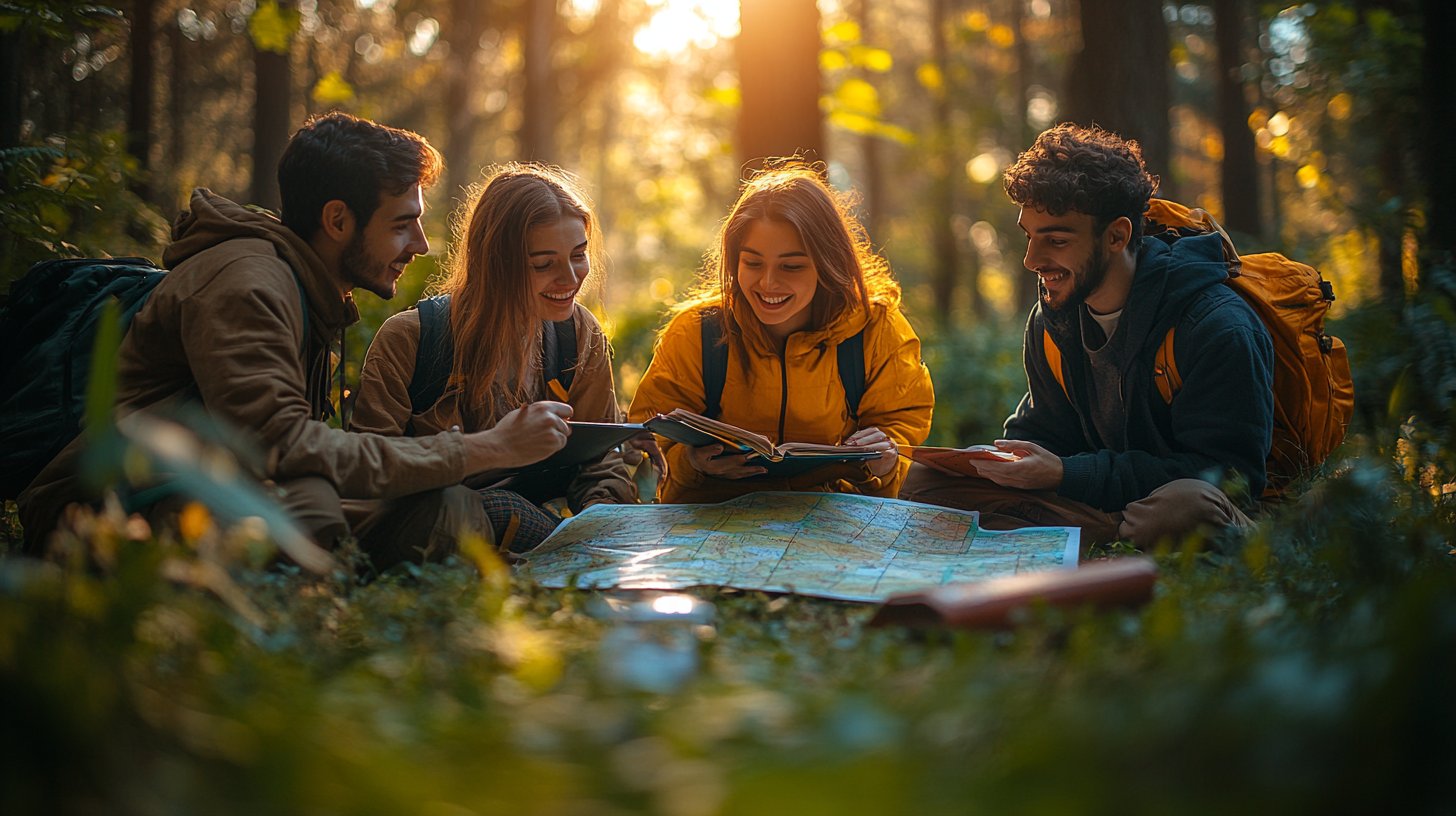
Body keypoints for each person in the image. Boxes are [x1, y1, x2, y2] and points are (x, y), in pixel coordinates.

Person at [19, 112, 574, 570]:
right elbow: (284, 449)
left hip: (209, 490)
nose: (423, 245)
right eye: (402, 224)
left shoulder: (299, 282)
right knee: (329, 510)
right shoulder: (247, 284)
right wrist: (486, 448)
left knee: (439, 507)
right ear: (338, 220)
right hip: (108, 510)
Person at [899, 124, 1274, 547]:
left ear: (1117, 236)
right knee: (920, 479)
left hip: (1186, 504)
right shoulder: (1051, 320)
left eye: (1055, 240)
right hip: (1101, 504)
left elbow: (1229, 476)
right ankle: (1106, 538)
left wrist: (1066, 473)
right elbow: (1047, 432)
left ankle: (1091, 537)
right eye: (1029, 237)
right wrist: (1003, 461)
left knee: (1184, 507)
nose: (1031, 260)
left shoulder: (1214, 325)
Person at [351, 163, 638, 552]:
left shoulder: (580, 335)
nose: (570, 278)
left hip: (537, 532)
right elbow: (366, 473)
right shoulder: (412, 339)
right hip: (432, 537)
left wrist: (600, 517)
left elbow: (601, 462)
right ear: (494, 263)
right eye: (543, 264)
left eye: (579, 255)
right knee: (482, 509)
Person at [627, 163, 934, 504]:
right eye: (753, 263)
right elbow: (648, 440)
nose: (768, 283)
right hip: (712, 520)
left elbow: (903, 436)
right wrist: (690, 462)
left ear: (829, 262)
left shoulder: (877, 330)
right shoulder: (694, 332)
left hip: (834, 523)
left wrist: (886, 461)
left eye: (792, 266)